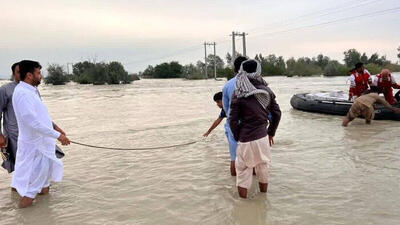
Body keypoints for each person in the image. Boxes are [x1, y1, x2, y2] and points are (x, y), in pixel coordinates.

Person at [12, 60, 70, 208]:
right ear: (29, 75)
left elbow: (41, 117)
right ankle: (22, 216)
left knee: (44, 185)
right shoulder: (23, 94)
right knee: (31, 191)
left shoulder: (31, 91)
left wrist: (56, 128)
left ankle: (44, 216)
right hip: (36, 148)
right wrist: (59, 137)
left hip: (44, 146)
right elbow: (33, 123)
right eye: (38, 73)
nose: (41, 76)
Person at [229, 59, 281, 198]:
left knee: (243, 172)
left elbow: (232, 119)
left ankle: (243, 205)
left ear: (241, 71)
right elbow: (277, 113)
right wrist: (271, 133)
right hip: (262, 136)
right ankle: (263, 198)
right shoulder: (267, 90)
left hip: (245, 138)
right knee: (263, 167)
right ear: (259, 71)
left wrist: (237, 135)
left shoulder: (238, 92)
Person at [222, 56, 248, 176]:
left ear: (234, 69)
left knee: (234, 158)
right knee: (252, 159)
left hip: (233, 124)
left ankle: (234, 186)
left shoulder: (227, 85)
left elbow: (226, 108)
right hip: (251, 125)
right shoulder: (255, 83)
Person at [0, 63, 20, 173]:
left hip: (31, 136)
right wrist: (0, 135)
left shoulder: (33, 90)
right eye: (18, 72)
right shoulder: (5, 90)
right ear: (13, 74)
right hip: (12, 136)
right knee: (16, 167)